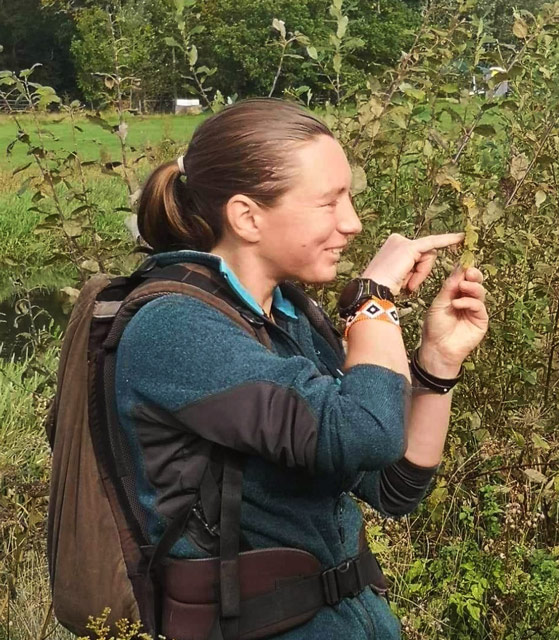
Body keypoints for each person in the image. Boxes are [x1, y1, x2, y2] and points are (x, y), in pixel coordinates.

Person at [116, 97, 488, 639]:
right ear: (247, 216)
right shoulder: (175, 329)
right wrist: (372, 299)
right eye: (329, 202)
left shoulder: (286, 316)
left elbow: (393, 486)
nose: (353, 223)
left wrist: (437, 363)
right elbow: (365, 433)